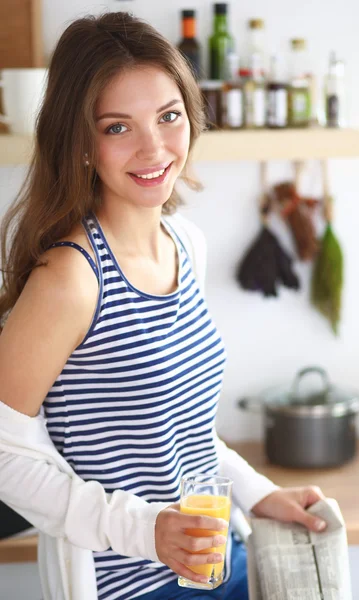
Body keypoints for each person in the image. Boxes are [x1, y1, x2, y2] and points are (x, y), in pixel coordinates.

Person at [0, 12, 326, 600]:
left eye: (168, 116)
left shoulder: (184, 244)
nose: (154, 147)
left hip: (217, 562)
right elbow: (5, 457)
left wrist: (255, 492)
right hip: (126, 585)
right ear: (80, 143)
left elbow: (185, 435)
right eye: (118, 127)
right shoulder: (70, 279)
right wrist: (147, 531)